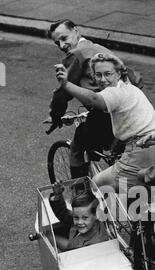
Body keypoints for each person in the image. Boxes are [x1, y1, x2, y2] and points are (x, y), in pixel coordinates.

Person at [44, 19, 142, 179]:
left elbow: (63, 92)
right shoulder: (98, 48)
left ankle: (80, 194)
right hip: (132, 108)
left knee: (76, 147)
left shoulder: (77, 54)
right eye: (57, 43)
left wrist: (55, 116)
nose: (62, 46)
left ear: (76, 31)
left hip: (106, 114)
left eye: (64, 38)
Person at [54, 52, 155, 192]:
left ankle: (88, 209)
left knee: (97, 184)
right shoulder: (130, 88)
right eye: (98, 75)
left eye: (108, 74)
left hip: (140, 153)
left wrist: (66, 84)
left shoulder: (116, 93)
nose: (103, 79)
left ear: (118, 74)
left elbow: (93, 99)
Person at [49, 180, 108, 251]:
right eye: (76, 217)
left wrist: (52, 238)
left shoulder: (94, 245)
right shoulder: (91, 219)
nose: (79, 222)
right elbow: (64, 214)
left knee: (50, 237)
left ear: (96, 215)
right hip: (74, 243)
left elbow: (70, 248)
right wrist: (57, 195)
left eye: (85, 218)